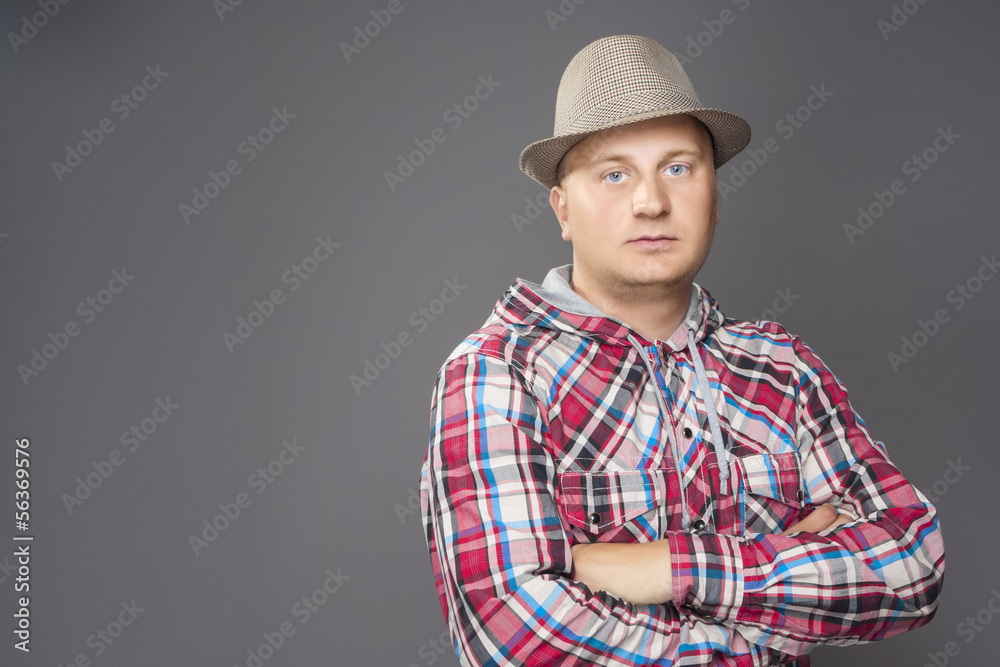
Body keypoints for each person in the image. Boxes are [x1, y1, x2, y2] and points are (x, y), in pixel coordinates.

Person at [418, 34, 944, 666]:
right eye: (614, 174)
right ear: (562, 209)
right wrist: (775, 614)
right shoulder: (498, 372)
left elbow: (912, 567)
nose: (651, 201)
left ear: (713, 196)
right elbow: (514, 637)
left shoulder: (782, 368)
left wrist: (673, 568)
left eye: (678, 167)